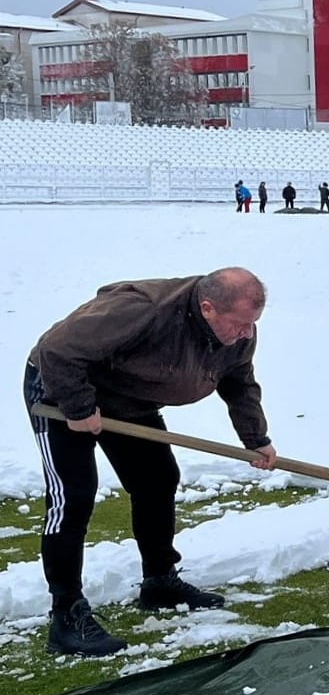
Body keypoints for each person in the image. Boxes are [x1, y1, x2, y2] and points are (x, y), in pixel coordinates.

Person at [23, 268, 278, 657]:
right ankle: (66, 615)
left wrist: (256, 439)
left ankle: (159, 581)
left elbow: (238, 382)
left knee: (158, 479)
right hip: (60, 388)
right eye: (241, 324)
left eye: (252, 324)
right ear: (208, 308)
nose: (247, 333)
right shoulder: (142, 309)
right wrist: (77, 407)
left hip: (127, 397)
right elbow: (58, 351)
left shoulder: (238, 334)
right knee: (72, 496)